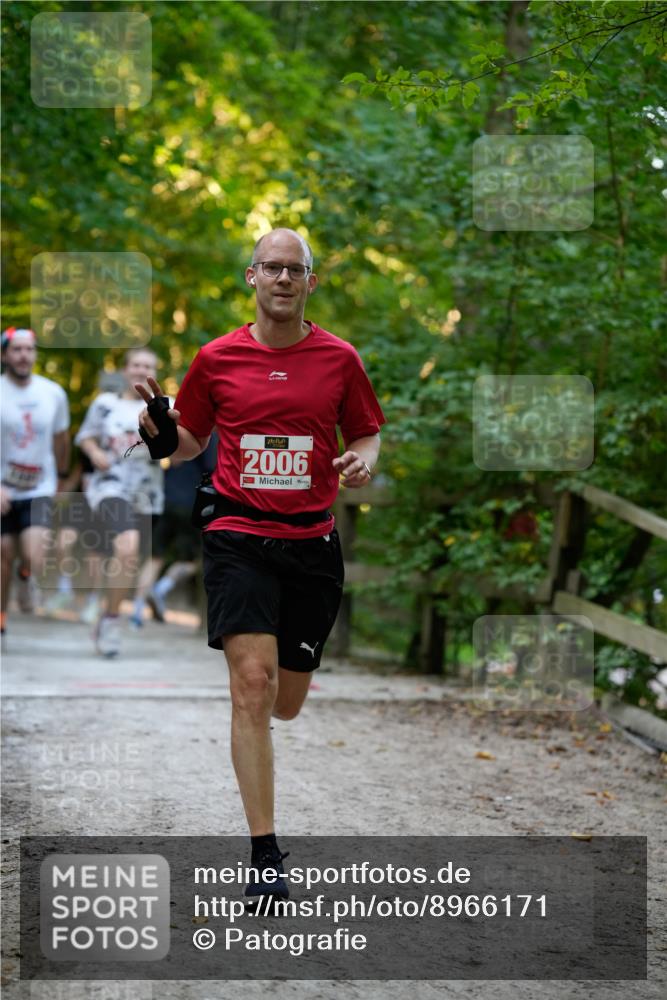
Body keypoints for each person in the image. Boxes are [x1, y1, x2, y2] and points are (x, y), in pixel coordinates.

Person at [137, 228, 385, 902]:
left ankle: (285, 685)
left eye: (293, 269)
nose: (281, 278)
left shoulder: (339, 359)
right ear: (250, 276)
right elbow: (184, 444)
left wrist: (363, 458)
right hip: (237, 532)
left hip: (311, 541)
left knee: (286, 699)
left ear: (310, 282)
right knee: (251, 684)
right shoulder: (216, 358)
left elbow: (365, 428)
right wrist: (155, 426)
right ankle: (265, 853)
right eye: (270, 268)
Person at [75, 347, 166, 657]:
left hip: (147, 494)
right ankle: (112, 622)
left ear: (155, 371)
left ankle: (107, 612)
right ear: (126, 370)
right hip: (109, 487)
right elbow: (85, 436)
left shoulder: (167, 408)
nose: (141, 370)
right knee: (126, 546)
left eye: (148, 366)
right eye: (136, 365)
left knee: (128, 562)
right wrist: (94, 452)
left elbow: (180, 453)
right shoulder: (105, 404)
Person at [1, 327, 71, 642]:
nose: (23, 355)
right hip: (3, 487)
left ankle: (26, 574)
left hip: (39, 485)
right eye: (16, 349)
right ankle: (2, 620)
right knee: (3, 552)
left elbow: (61, 438)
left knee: (34, 553)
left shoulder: (52, 393)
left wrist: (63, 477)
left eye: (28, 349)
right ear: (5, 355)